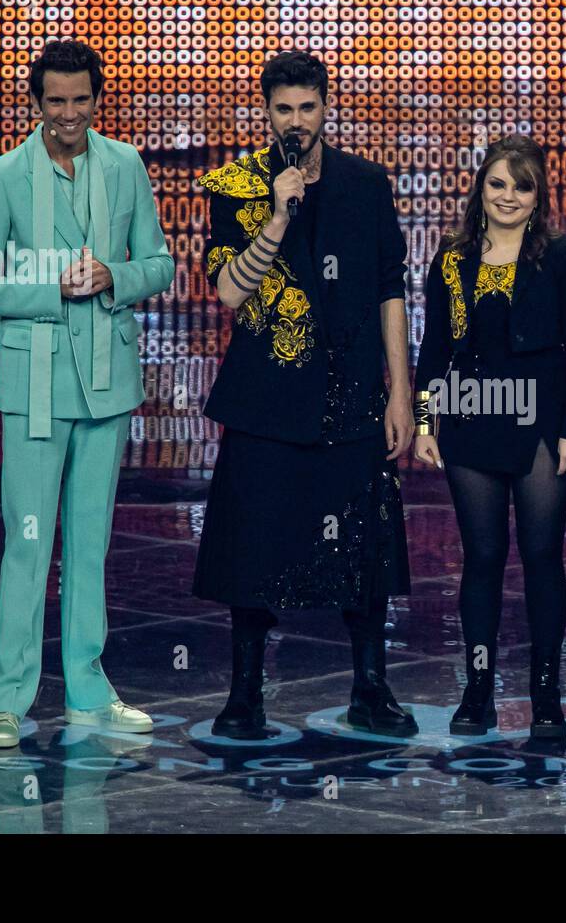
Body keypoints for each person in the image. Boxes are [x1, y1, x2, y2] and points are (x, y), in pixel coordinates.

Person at [0, 39, 174, 748]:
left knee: (90, 543)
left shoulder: (126, 166)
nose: (70, 113)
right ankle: (7, 697)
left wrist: (116, 276)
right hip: (35, 386)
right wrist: (50, 289)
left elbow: (160, 262)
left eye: (81, 99)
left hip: (106, 380)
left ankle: (89, 687)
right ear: (36, 102)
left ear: (96, 98)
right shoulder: (7, 175)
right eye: (56, 101)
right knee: (27, 541)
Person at [191, 51, 418, 738]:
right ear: (266, 113)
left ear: (326, 108)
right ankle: (245, 694)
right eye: (283, 110)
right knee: (254, 543)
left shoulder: (366, 184)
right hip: (266, 396)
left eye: (307, 108)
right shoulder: (235, 185)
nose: (296, 121)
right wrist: (278, 217)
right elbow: (229, 291)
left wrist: (403, 396)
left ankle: (370, 686)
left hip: (352, 392)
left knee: (363, 544)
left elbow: (389, 289)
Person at [413, 135, 566, 739]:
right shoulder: (452, 256)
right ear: (480, 188)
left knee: (542, 557)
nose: (508, 196)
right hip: (468, 416)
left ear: (538, 196)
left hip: (540, 421)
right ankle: (478, 691)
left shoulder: (562, 255)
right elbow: (433, 345)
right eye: (497, 183)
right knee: (483, 558)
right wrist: (423, 419)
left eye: (522, 185)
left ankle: (546, 697)